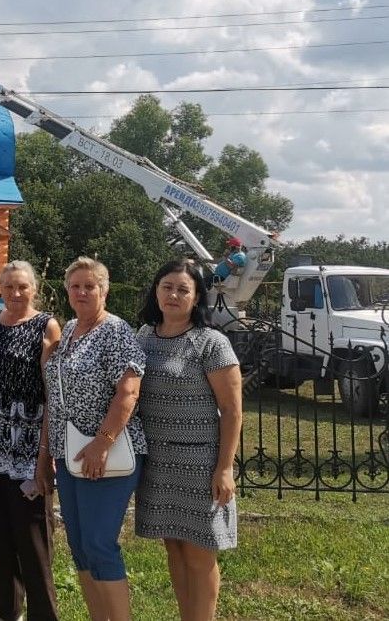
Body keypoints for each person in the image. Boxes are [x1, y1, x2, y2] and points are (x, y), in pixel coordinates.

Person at [135, 259, 242, 621]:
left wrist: (225, 468)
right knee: (174, 547)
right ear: (156, 290)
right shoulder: (144, 336)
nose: (174, 295)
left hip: (199, 465)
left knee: (199, 552)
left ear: (196, 297)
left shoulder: (211, 343)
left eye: (183, 289)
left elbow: (231, 410)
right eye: (167, 286)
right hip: (158, 463)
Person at [42, 257, 146, 621]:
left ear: (104, 290)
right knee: (80, 547)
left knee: (100, 543)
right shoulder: (70, 329)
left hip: (106, 453)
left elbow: (128, 392)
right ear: (68, 291)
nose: (83, 292)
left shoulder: (116, 331)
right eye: (76, 286)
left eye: (90, 286)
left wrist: (102, 442)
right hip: (69, 454)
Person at [0, 260, 61, 621]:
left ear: (34, 289)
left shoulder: (46, 325)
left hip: (28, 445)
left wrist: (44, 454)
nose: (15, 293)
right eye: (8, 287)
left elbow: (53, 393)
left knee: (32, 537)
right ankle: (4, 607)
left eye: (22, 286)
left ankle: (43, 614)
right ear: (0, 289)